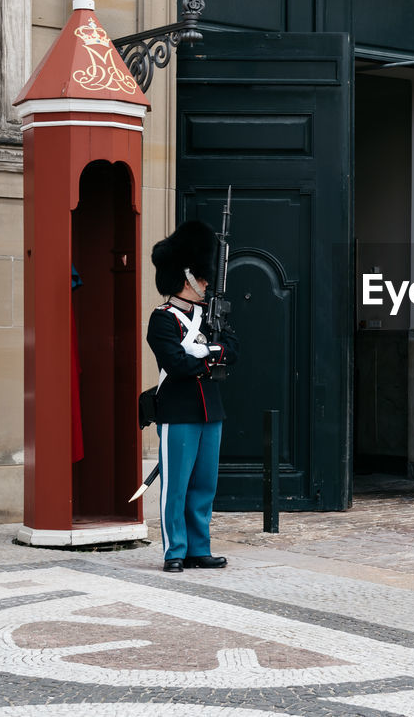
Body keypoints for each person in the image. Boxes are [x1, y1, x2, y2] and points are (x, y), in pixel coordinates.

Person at [147, 220, 238, 572]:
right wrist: (211, 355)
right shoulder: (163, 320)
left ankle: (199, 547)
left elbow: (234, 350)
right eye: (201, 277)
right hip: (179, 411)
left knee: (204, 485)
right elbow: (177, 363)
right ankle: (175, 550)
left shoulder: (210, 317)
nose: (206, 283)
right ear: (186, 277)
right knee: (177, 487)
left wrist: (208, 352)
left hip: (210, 410)